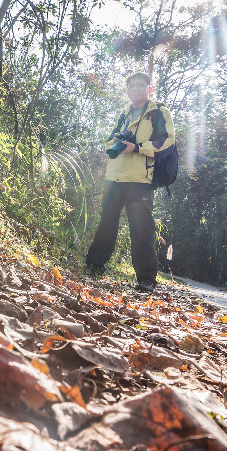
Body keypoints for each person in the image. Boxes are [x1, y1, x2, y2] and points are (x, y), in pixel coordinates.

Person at [83, 72, 176, 293]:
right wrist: (116, 139)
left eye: (140, 85)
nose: (135, 89)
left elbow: (168, 142)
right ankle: (94, 266)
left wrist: (138, 146)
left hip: (140, 180)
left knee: (142, 229)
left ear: (149, 88)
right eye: (131, 86)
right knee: (106, 224)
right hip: (114, 178)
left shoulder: (159, 112)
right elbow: (111, 140)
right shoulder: (124, 113)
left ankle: (146, 280)